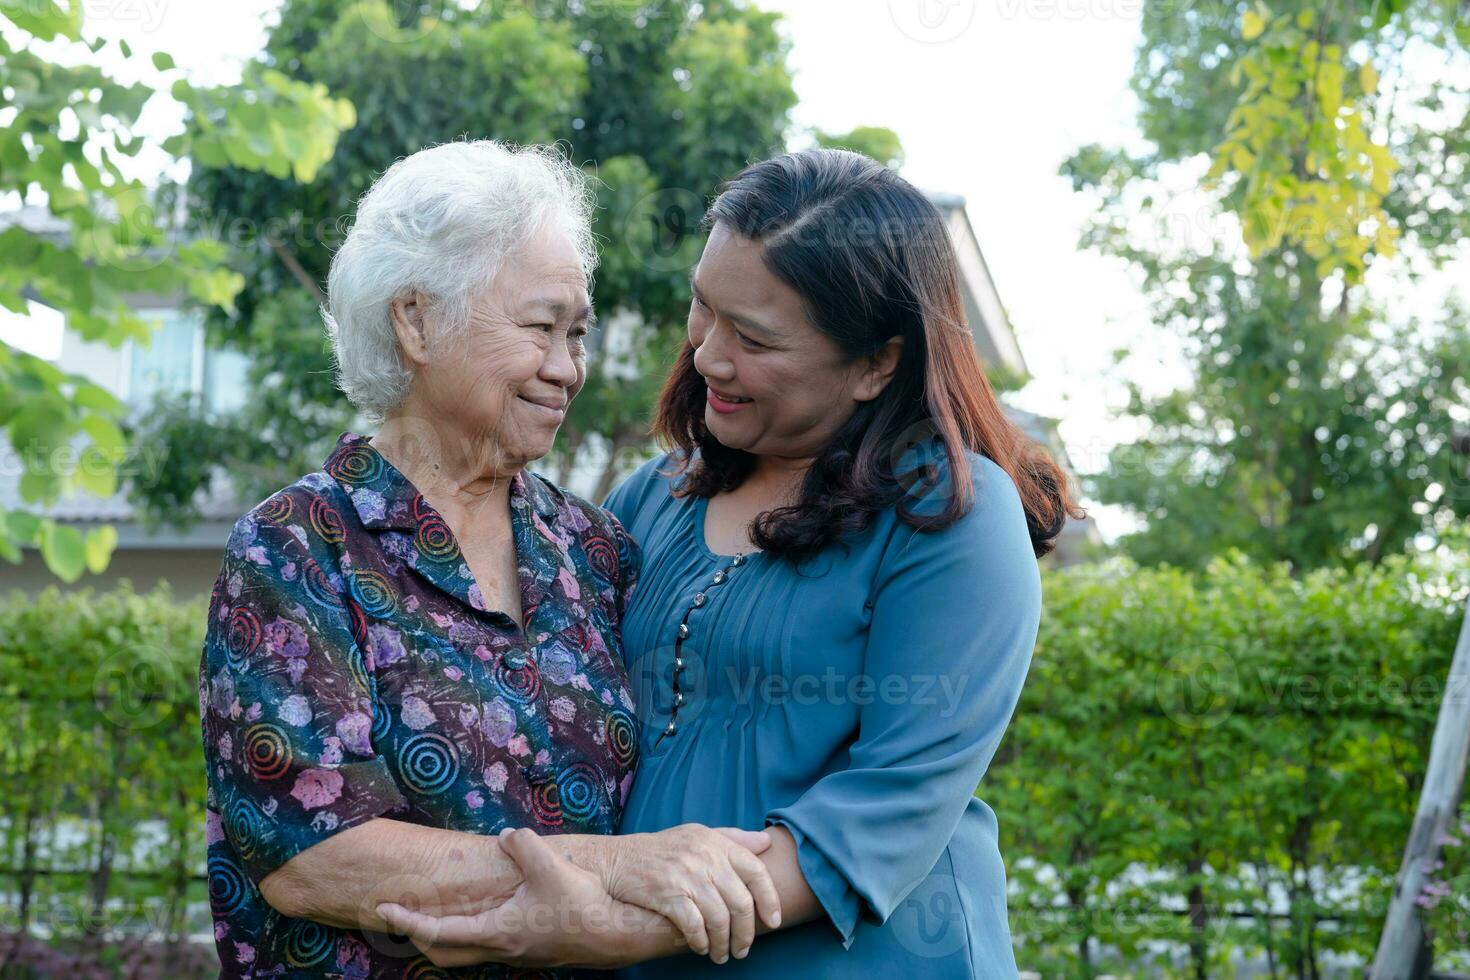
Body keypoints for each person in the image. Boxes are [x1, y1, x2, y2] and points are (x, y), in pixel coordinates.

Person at [377, 149, 1084, 978]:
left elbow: (892, 806)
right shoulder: (655, 498)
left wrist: (625, 929)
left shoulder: (948, 516)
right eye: (703, 309)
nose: (710, 355)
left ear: (877, 363)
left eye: (752, 337)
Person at [199, 140, 777, 979]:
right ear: (417, 321)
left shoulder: (593, 547)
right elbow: (314, 856)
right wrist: (619, 865)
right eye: (541, 327)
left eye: (577, 334)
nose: (568, 368)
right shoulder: (298, 544)